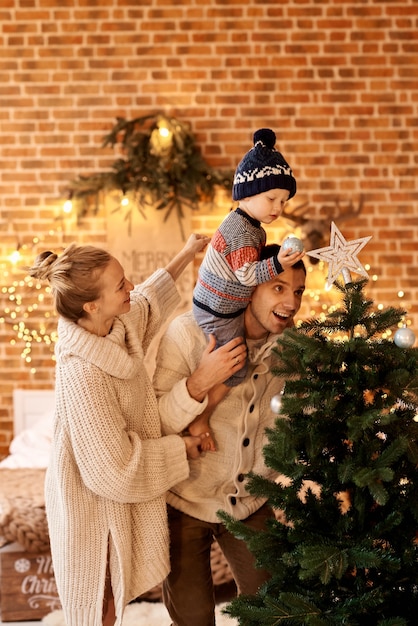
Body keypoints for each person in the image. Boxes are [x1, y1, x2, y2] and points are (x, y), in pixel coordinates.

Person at [26, 233, 210, 626]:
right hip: (87, 500)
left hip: (110, 490)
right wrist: (182, 448)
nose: (130, 287)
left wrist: (187, 252)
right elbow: (114, 468)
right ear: (92, 304)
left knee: (115, 597)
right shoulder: (82, 371)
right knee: (98, 606)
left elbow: (147, 299)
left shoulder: (115, 323)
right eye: (120, 285)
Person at [154, 247, 307, 626]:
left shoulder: (295, 350)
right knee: (191, 619)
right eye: (279, 287)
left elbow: (306, 418)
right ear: (250, 287)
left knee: (274, 613)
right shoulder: (188, 332)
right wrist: (199, 382)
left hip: (251, 501)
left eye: (299, 291)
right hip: (184, 499)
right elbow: (156, 422)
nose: (292, 302)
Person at [191, 128, 303, 450]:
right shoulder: (241, 229)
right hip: (217, 309)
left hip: (226, 303)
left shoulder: (250, 226)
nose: (278, 207)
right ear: (246, 194)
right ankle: (202, 416)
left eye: (283, 200)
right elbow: (245, 275)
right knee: (236, 364)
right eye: (271, 198)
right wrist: (279, 264)